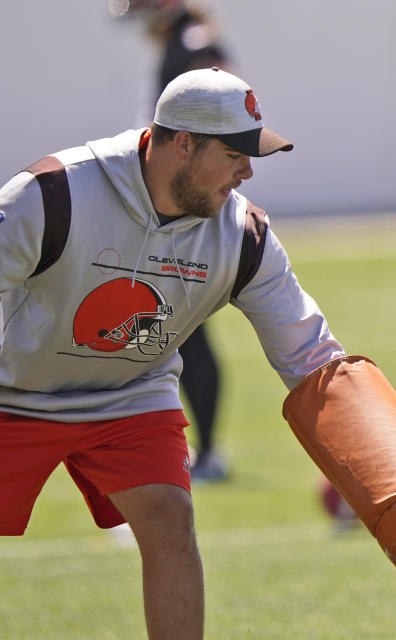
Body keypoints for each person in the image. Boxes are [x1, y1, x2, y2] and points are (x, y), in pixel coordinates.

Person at [0, 68, 340, 640]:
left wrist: (383, 460)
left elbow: (310, 355)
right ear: (183, 144)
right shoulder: (51, 193)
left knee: (170, 517)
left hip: (132, 396)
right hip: (12, 393)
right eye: (235, 153)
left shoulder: (243, 234)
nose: (248, 171)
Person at [113, 0, 234, 482]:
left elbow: (228, 116)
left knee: (181, 327)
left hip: (187, 210)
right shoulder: (180, 41)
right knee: (173, 327)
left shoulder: (196, 44)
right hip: (173, 207)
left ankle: (205, 452)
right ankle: (196, 450)